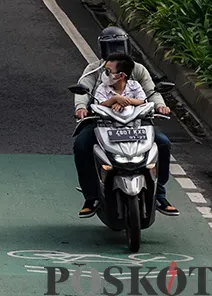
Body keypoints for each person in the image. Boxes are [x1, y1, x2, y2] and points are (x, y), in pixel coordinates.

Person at [73, 34, 178, 218]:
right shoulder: (96, 70)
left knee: (163, 143)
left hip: (137, 122)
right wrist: (81, 107)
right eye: (111, 47)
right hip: (102, 122)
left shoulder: (137, 71)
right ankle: (91, 197)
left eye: (119, 46)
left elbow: (150, 91)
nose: (115, 51)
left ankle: (160, 195)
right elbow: (84, 89)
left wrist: (160, 105)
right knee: (81, 145)